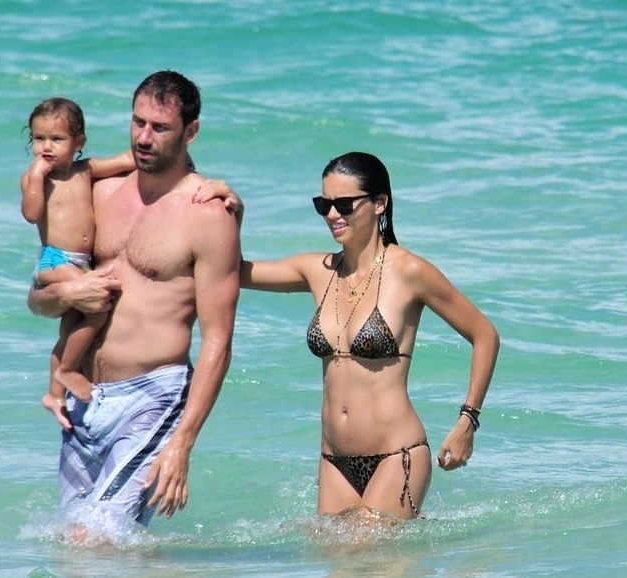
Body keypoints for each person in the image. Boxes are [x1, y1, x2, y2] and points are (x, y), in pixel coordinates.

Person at [196, 151, 500, 520]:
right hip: (334, 461)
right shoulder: (317, 270)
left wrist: (468, 421)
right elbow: (233, 272)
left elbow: (484, 335)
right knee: (336, 555)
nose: (331, 215)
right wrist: (235, 216)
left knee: (372, 553)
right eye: (323, 205)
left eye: (343, 204)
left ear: (379, 203)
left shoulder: (409, 271)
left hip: (397, 453)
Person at [27, 71, 240, 538]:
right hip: (84, 401)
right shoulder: (98, 192)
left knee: (92, 540)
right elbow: (38, 299)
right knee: (71, 547)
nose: (143, 138)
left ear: (190, 131)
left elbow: (219, 340)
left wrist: (183, 443)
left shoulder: (207, 214)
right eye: (138, 122)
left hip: (153, 397)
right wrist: (66, 293)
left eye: (159, 128)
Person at [21, 97, 135, 427]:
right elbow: (31, 214)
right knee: (98, 308)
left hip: (81, 262)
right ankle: (69, 369)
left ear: (78, 142)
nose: (46, 146)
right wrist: (36, 177)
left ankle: (54, 394)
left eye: (57, 139)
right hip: (55, 259)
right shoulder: (35, 179)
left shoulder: (85, 171)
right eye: (39, 138)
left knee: (70, 329)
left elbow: (125, 160)